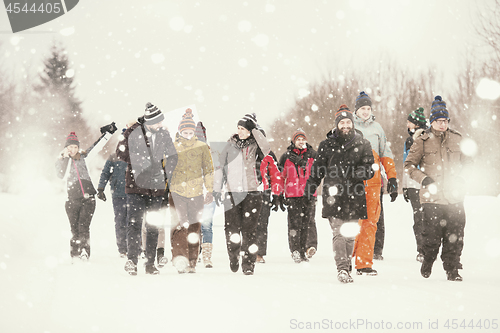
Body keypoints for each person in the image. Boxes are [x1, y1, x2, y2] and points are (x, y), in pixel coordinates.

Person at [305, 105, 374, 283]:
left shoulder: (363, 143)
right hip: (333, 195)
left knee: (350, 234)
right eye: (342, 122)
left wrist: (355, 174)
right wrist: (310, 185)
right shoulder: (326, 145)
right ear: (337, 124)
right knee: (338, 233)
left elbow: (370, 169)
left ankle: (346, 266)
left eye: (348, 122)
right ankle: (342, 269)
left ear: (352, 123)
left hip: (355, 194)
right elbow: (318, 169)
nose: (345, 125)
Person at [404, 96, 469, 281]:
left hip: (454, 196)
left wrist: (463, 178)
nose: (443, 124)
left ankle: (452, 269)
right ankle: (428, 259)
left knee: (455, 235)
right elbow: (409, 166)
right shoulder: (422, 141)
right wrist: (423, 179)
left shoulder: (457, 139)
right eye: (439, 121)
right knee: (432, 237)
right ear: (432, 122)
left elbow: (469, 163)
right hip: (432, 197)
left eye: (445, 121)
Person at [116, 102, 177, 275]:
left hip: (156, 188)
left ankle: (150, 264)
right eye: (158, 122)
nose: (161, 124)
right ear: (149, 121)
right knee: (134, 224)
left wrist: (166, 174)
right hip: (135, 186)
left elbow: (173, 156)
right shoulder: (133, 131)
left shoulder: (164, 134)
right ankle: (132, 261)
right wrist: (139, 159)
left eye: (161, 122)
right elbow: (120, 152)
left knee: (152, 225)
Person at [213, 113, 271, 275]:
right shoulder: (229, 146)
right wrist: (217, 189)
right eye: (238, 128)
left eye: (243, 129)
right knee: (231, 229)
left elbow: (267, 150)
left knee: (250, 230)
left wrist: (255, 131)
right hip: (232, 193)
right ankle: (233, 255)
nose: (240, 131)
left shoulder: (256, 145)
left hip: (252, 193)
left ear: (250, 131)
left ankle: (248, 263)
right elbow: (220, 168)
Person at [352, 91, 398, 276]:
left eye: (368, 108)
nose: (365, 111)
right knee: (353, 222)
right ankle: (347, 256)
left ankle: (364, 263)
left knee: (370, 222)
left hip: (373, 182)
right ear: (356, 110)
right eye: (362, 108)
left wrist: (392, 177)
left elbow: (385, 154)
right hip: (353, 182)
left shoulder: (378, 129)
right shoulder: (348, 126)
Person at [56, 124, 117, 261]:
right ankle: (75, 253)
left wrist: (108, 134)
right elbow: (61, 175)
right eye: (70, 147)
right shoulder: (61, 161)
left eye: (75, 147)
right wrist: (64, 158)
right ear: (66, 148)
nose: (73, 150)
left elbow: (97, 147)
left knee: (84, 226)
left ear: (78, 148)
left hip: (88, 198)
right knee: (74, 229)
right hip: (71, 200)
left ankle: (84, 251)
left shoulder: (83, 158)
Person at [169, 109, 214, 274]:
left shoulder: (202, 147)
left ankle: (193, 261)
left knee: (194, 227)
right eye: (185, 132)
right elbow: (167, 169)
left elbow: (208, 169)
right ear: (180, 132)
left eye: (190, 132)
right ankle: (181, 261)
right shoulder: (173, 147)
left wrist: (210, 189)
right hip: (177, 192)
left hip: (196, 193)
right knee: (180, 227)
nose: (188, 134)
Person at [278, 128, 318, 263]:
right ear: (294, 141)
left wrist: (304, 163)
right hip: (292, 194)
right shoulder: (286, 156)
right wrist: (279, 193)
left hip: (308, 193)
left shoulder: (313, 154)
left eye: (303, 139)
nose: (301, 142)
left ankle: (303, 250)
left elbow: (317, 172)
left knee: (306, 223)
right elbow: (281, 176)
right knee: (294, 224)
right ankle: (295, 251)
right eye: (298, 139)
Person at [402, 107, 427, 263]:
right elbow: (406, 164)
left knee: (424, 218)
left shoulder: (425, 138)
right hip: (412, 185)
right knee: (418, 218)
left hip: (424, 184)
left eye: (409, 121)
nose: (407, 124)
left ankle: (427, 248)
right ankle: (422, 249)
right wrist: (405, 185)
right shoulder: (408, 140)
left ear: (416, 124)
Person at [97, 141, 128, 258]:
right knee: (120, 221)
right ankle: (122, 249)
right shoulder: (114, 156)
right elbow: (105, 173)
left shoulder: (137, 155)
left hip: (134, 194)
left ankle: (135, 248)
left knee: (133, 222)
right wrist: (101, 188)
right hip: (118, 194)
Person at [195, 121, 217, 268]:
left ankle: (207, 256)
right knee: (195, 225)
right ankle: (195, 253)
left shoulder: (212, 153)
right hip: (193, 193)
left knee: (206, 226)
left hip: (208, 193)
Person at [256, 149, 282, 264]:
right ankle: (247, 251)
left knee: (262, 224)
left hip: (264, 192)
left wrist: (276, 195)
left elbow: (275, 175)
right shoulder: (245, 150)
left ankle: (259, 253)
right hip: (247, 191)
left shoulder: (269, 154)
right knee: (247, 224)